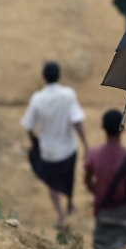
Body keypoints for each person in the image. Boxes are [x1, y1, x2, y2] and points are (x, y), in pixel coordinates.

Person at [21, 62, 88, 230]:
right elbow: (77, 121)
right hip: (68, 149)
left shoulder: (37, 98)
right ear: (59, 75)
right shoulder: (68, 95)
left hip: (48, 151)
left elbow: (28, 126)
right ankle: (70, 203)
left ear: (43, 77)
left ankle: (61, 215)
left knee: (52, 184)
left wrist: (34, 141)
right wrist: (86, 145)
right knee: (68, 178)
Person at [84, 110, 126, 249]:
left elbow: (87, 182)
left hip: (104, 212)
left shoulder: (93, 155)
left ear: (102, 127)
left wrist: (100, 195)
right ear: (123, 128)